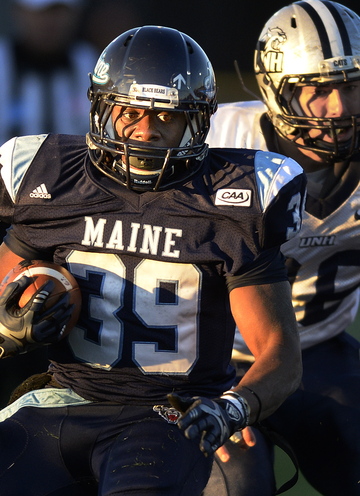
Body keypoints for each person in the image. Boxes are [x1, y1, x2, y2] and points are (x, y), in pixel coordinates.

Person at [0, 25, 306, 495]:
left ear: (198, 121)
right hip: (62, 400)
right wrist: (7, 326)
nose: (145, 129)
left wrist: (231, 408)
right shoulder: (52, 176)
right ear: (102, 108)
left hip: (167, 414)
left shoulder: (234, 199)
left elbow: (280, 356)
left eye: (167, 115)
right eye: (130, 112)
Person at [204, 1, 360, 495]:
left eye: (352, 87)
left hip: (317, 350)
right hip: (205, 360)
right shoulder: (217, 138)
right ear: (276, 89)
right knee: (237, 484)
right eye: (318, 91)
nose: (339, 109)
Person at [0, 0, 97, 144]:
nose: (50, 22)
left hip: (74, 165)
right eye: (41, 12)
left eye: (59, 12)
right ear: (19, 11)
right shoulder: (3, 61)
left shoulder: (87, 61)